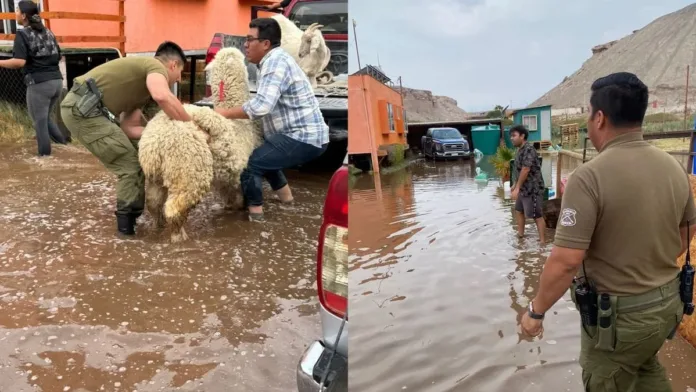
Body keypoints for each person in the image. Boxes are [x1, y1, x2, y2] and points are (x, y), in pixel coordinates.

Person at [520, 72, 696, 391]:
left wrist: (536, 311)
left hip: (619, 323)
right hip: (667, 307)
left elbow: (566, 262)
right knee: (644, 366)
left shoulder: (589, 177)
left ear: (599, 118)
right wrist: (645, 264)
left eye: (589, 114)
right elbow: (686, 231)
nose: (589, 121)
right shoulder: (675, 168)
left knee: (607, 377)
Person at [60, 41, 195, 236]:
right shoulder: (155, 66)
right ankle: (125, 232)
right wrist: (190, 126)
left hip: (87, 110)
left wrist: (161, 133)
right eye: (180, 73)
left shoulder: (141, 88)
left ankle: (133, 218)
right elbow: (162, 96)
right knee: (129, 165)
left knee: (137, 153)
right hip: (83, 110)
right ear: (173, 65)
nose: (179, 79)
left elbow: (129, 128)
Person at [212, 18, 329, 222]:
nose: (245, 44)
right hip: (299, 134)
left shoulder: (275, 63)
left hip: (303, 137)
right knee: (267, 160)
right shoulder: (272, 60)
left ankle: (255, 220)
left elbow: (261, 107)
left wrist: (224, 113)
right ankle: (288, 204)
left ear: (265, 44)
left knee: (251, 165)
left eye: (250, 39)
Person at [0, 0, 67, 156]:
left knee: (39, 123)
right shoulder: (48, 32)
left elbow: (19, 62)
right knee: (45, 120)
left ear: (24, 16)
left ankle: (45, 160)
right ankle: (66, 148)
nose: (15, 13)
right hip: (56, 82)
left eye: (16, 11)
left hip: (39, 84)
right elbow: (58, 55)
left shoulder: (23, 34)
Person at [510, 124, 546, 243]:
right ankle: (520, 236)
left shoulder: (529, 149)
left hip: (533, 188)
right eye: (511, 136)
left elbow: (526, 169)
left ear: (522, 136)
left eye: (514, 135)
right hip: (523, 188)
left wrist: (517, 188)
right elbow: (518, 169)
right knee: (519, 210)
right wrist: (515, 184)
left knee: (537, 216)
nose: (511, 138)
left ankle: (542, 243)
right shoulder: (519, 150)